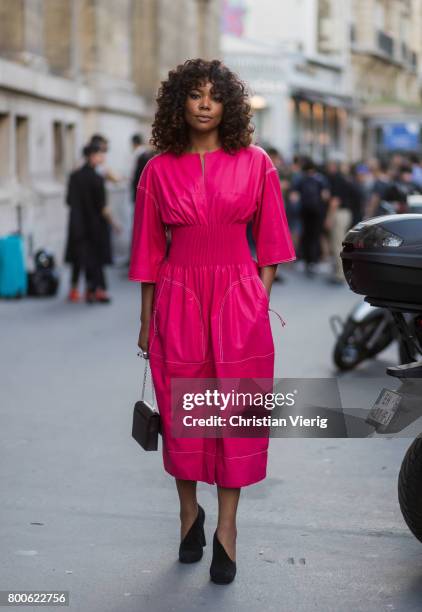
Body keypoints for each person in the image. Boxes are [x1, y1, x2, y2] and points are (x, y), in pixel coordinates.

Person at [128, 58, 296, 584]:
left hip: (237, 299)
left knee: (235, 416)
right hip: (177, 297)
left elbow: (271, 242)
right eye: (194, 95)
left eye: (214, 95)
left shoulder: (256, 162)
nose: (204, 104)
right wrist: (145, 321)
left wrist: (256, 298)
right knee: (183, 418)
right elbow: (148, 253)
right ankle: (188, 514)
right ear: (179, 104)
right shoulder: (158, 169)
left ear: (229, 105)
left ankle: (227, 528)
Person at [64, 143, 121, 303]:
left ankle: (76, 289)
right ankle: (95, 289)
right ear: (91, 156)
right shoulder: (97, 179)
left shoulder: (74, 176)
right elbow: (102, 207)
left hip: (77, 224)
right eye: (99, 154)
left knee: (79, 257)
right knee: (95, 258)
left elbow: (68, 201)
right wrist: (114, 224)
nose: (102, 157)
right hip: (95, 225)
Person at [290, 157, 330, 278]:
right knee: (315, 235)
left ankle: (305, 260)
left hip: (304, 211)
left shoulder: (300, 179)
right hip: (317, 212)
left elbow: (294, 196)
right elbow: (325, 196)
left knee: (305, 234)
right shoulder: (321, 179)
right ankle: (314, 261)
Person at [324, 159, 355, 284]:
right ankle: (340, 272)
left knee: (337, 244)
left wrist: (329, 218)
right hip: (346, 213)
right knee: (339, 243)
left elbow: (335, 201)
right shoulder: (344, 178)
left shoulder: (336, 179)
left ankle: (340, 274)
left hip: (339, 213)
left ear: (333, 166)